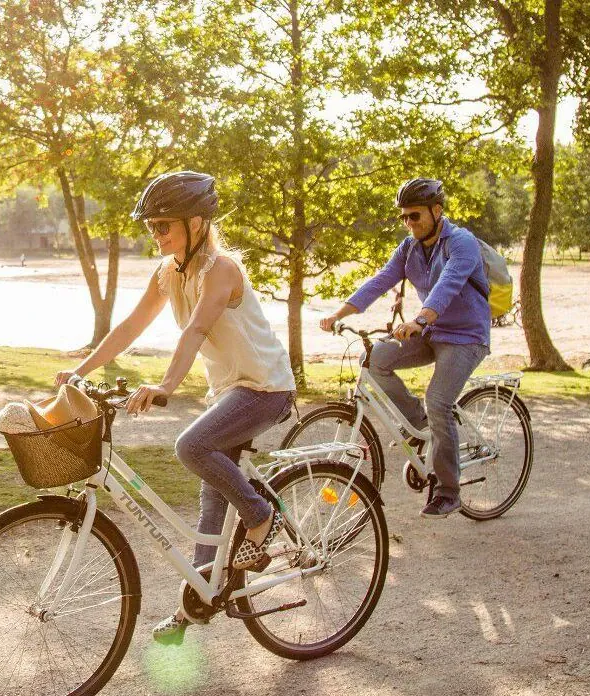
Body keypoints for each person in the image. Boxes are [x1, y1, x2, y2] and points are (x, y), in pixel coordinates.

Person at [55, 171, 297, 644]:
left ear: (197, 221)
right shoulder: (169, 271)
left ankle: (263, 516)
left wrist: (166, 384)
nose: (157, 235)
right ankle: (198, 603)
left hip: (265, 388)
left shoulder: (222, 269)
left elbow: (195, 331)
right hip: (232, 391)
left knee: (191, 446)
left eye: (164, 225)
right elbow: (128, 327)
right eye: (152, 227)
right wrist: (82, 372)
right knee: (210, 505)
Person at [317, 178, 490, 519]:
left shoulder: (462, 243)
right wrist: (340, 312)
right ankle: (419, 425)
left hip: (466, 336)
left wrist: (421, 319)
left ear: (437, 211)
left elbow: (448, 284)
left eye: (415, 216)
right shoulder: (409, 248)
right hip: (431, 331)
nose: (409, 223)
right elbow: (380, 280)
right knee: (375, 357)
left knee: (439, 400)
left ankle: (449, 489)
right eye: (404, 218)